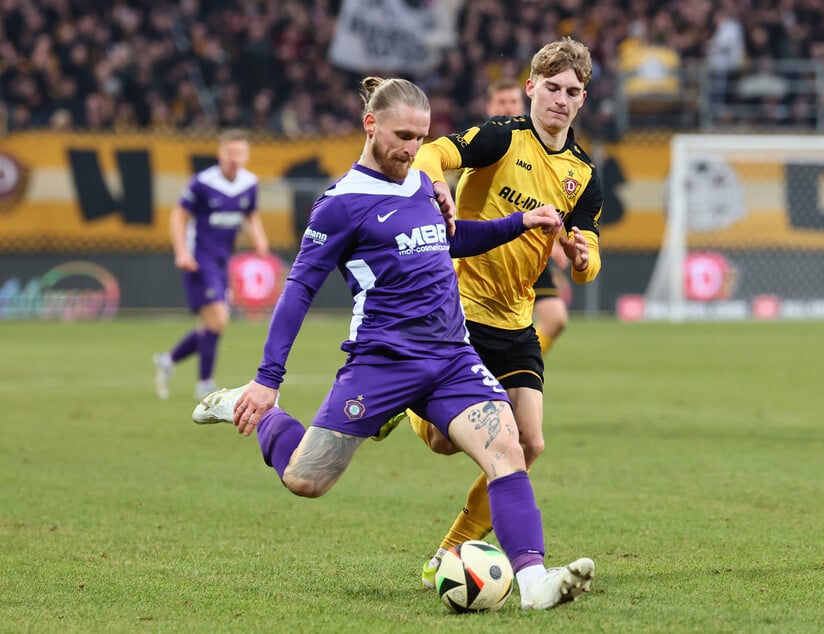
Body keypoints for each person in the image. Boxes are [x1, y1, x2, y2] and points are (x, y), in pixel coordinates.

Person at [190, 76, 595, 611]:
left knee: (508, 449)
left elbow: (454, 239)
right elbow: (297, 292)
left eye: (421, 136)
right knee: (305, 481)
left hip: (452, 357)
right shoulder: (340, 204)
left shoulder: (426, 186)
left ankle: (534, 580)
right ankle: (252, 410)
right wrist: (267, 381)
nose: (412, 148)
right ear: (370, 124)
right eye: (403, 135)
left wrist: (520, 221)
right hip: (381, 362)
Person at [398, 38, 603, 589]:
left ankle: (450, 553)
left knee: (530, 444)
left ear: (583, 99)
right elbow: (433, 152)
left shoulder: (583, 173)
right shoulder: (501, 136)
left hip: (515, 320)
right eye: (552, 88)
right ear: (531, 87)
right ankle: (404, 397)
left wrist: (583, 257)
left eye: (573, 92)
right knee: (444, 441)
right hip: (458, 312)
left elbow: (587, 260)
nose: (561, 100)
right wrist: (436, 180)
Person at [152, 129, 269, 400]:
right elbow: (178, 216)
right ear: (220, 153)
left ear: (247, 155)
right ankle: (204, 383)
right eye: (230, 152)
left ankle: (168, 360)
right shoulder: (202, 183)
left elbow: (251, 215)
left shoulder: (249, 183)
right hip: (198, 257)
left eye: (240, 153)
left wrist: (260, 240)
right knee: (219, 317)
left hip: (221, 259)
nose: (235, 158)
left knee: (212, 323)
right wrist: (181, 251)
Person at [485, 77, 571, 356]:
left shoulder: (535, 147)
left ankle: (517, 364)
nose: (508, 108)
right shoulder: (479, 146)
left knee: (556, 319)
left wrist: (556, 241)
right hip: (487, 251)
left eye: (513, 102)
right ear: (489, 107)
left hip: (527, 249)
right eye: (502, 102)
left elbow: (545, 198)